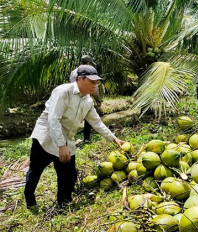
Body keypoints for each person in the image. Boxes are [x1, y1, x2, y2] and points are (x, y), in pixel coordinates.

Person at [24, 65, 124, 209]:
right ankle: (30, 200)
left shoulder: (87, 101)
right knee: (36, 171)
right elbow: (53, 120)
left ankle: (63, 203)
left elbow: (97, 123)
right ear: (80, 79)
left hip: (66, 139)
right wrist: (61, 146)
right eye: (91, 82)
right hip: (46, 138)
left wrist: (114, 139)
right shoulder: (63, 92)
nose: (94, 86)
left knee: (69, 175)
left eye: (96, 83)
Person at [70, 55, 104, 142]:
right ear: (88, 63)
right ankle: (86, 138)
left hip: (73, 97)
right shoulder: (89, 72)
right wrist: (98, 99)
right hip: (84, 97)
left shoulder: (74, 72)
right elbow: (94, 88)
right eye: (91, 64)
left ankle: (69, 139)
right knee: (89, 117)